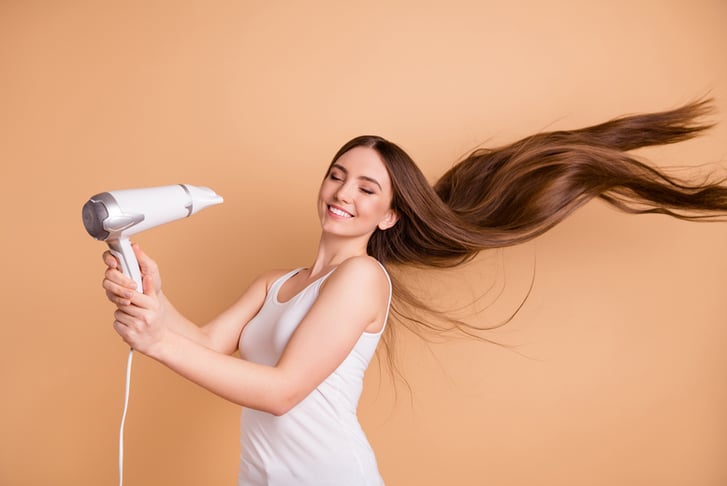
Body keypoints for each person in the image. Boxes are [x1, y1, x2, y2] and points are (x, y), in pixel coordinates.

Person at [102, 99, 727, 485]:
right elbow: (209, 343)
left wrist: (158, 342)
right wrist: (155, 302)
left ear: (390, 216)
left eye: (367, 189)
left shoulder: (362, 280)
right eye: (338, 175)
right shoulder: (275, 284)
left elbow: (282, 392)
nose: (343, 193)